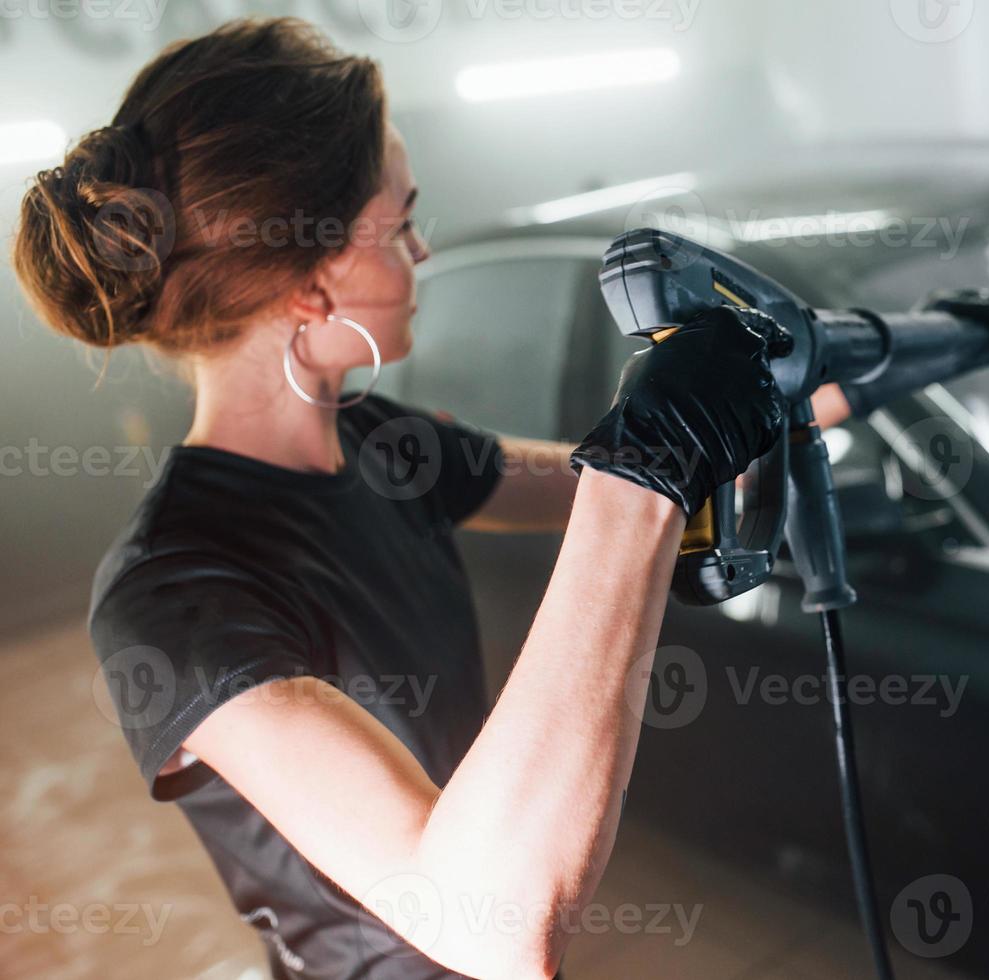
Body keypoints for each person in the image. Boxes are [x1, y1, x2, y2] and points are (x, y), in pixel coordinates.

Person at [11, 16, 863, 980]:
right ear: (309, 283)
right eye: (401, 222)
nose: (421, 251)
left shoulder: (383, 442)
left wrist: (802, 381)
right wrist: (650, 469)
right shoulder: (168, 592)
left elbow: (574, 484)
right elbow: (490, 924)